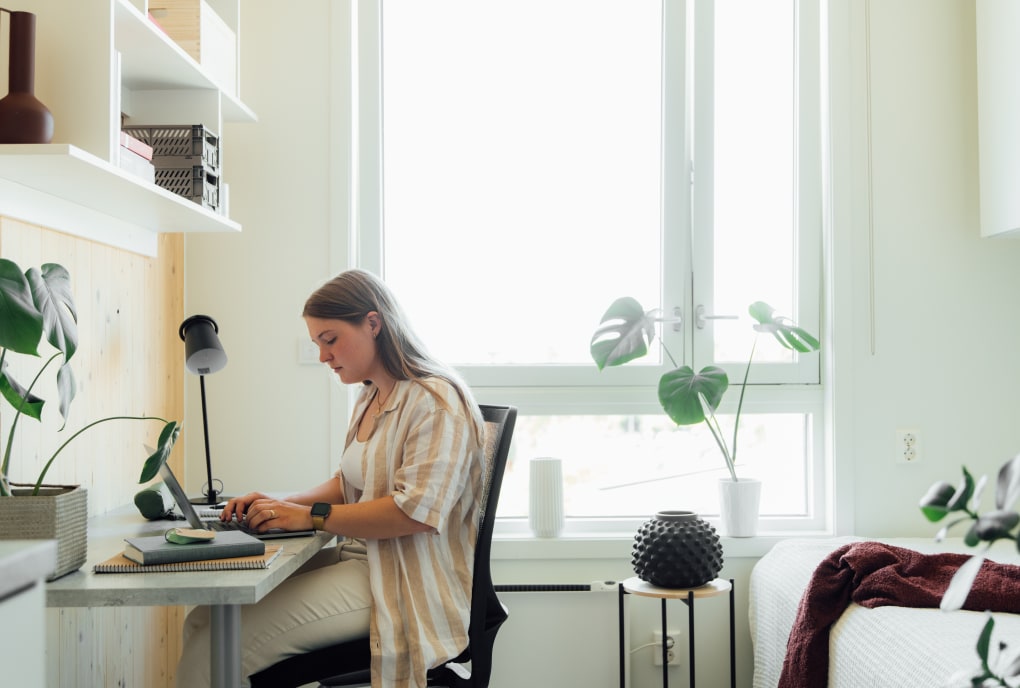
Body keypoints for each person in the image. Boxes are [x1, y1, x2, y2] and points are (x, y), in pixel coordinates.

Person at [176, 269, 486, 688]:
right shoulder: (372, 394)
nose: (323, 356)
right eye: (317, 343)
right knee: (203, 620)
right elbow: (350, 483)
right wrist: (279, 504)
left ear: (373, 324)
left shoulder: (434, 401)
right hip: (365, 559)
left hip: (401, 580)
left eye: (330, 339)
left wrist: (311, 516)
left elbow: (415, 512)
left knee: (212, 652)